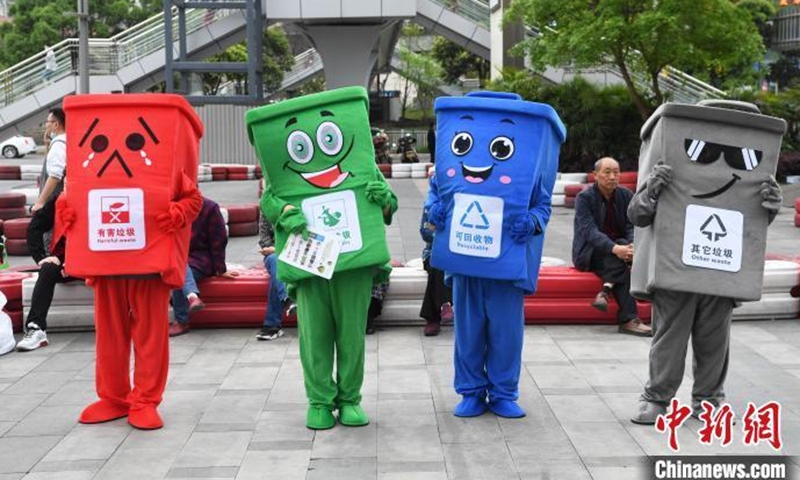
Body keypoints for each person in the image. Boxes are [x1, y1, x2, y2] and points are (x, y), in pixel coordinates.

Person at [572, 157, 651, 337]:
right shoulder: (584, 198)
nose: (612, 176)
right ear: (596, 175)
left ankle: (605, 292)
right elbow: (589, 231)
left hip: (620, 249)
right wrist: (616, 249)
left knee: (623, 246)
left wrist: (631, 246)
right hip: (589, 252)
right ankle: (629, 319)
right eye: (607, 172)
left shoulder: (625, 195)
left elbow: (632, 226)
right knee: (619, 260)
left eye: (616, 172)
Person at [169, 196, 236, 337]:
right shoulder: (170, 207)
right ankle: (192, 296)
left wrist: (220, 269)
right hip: (174, 257)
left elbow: (218, 239)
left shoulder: (209, 207)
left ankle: (182, 320)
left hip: (201, 259)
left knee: (179, 268)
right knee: (178, 263)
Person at [27, 108, 67, 261]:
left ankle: (46, 264)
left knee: (37, 231)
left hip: (54, 200)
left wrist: (40, 202)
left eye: (48, 122)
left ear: (56, 124)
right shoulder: (67, 141)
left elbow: (54, 176)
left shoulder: (59, 145)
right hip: (63, 199)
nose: (46, 126)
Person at [419, 174, 452, 337]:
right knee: (437, 262)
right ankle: (443, 306)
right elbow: (425, 233)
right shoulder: (431, 205)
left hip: (458, 253)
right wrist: (445, 237)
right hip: (433, 252)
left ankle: (433, 317)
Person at [256, 214, 294, 341]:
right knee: (275, 262)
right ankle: (288, 299)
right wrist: (275, 250)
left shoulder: (297, 202)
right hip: (273, 256)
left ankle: (271, 325)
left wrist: (278, 249)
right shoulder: (267, 207)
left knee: (275, 275)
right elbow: (264, 240)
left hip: (298, 253)